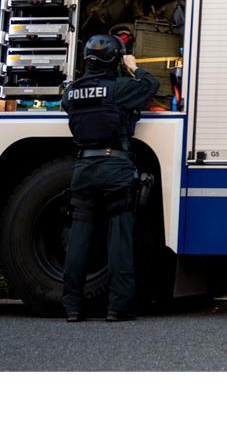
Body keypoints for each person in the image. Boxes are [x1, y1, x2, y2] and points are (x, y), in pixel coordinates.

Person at [60, 34, 159, 322]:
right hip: (115, 168)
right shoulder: (120, 89)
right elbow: (151, 86)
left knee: (78, 240)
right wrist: (134, 66)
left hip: (84, 169)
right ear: (115, 60)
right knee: (119, 240)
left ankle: (72, 308)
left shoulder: (71, 92)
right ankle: (118, 308)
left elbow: (72, 109)